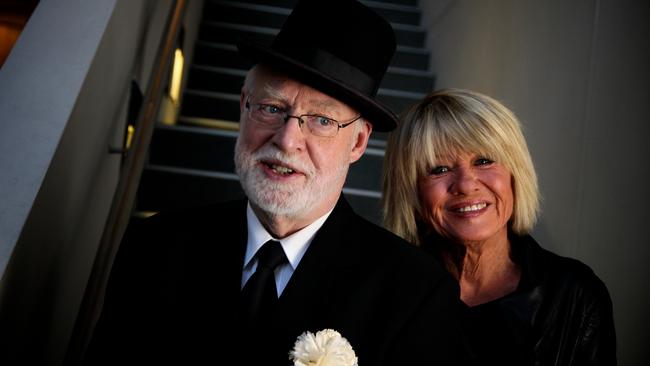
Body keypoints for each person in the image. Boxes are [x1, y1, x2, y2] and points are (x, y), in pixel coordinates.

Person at [83, 1, 464, 365]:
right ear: (243, 107)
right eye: (271, 108)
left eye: (322, 120)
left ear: (359, 142)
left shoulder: (414, 292)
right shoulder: (155, 245)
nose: (286, 140)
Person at [382, 88, 617, 365]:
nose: (466, 185)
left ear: (515, 175)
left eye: (483, 161)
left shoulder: (574, 294)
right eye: (439, 169)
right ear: (412, 193)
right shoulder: (385, 291)